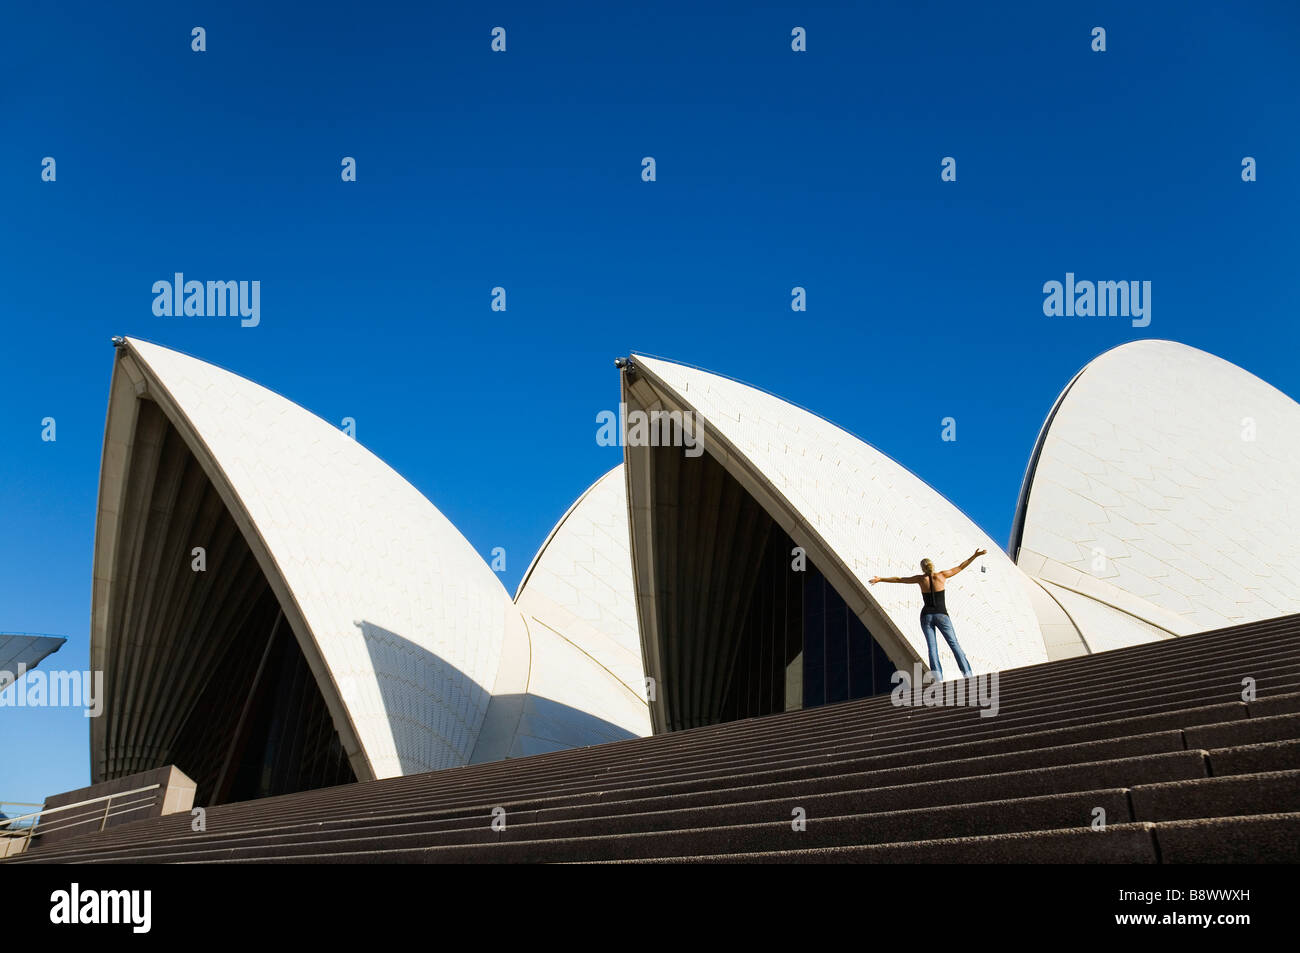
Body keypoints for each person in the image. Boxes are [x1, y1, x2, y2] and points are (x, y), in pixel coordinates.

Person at [869, 549, 986, 681]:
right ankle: (967, 675)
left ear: (922, 568)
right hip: (942, 615)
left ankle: (938, 679)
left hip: (926, 616)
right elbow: (960, 566)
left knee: (932, 648)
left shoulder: (920, 579)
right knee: (954, 644)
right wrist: (975, 556)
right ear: (932, 566)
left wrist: (880, 579)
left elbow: (899, 579)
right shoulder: (942, 576)